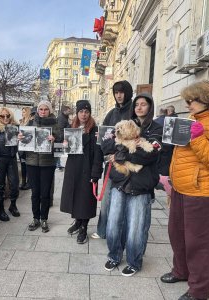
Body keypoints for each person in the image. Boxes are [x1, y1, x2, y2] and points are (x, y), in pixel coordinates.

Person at [160, 81, 209, 300]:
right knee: (177, 235)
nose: (187, 104)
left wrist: (198, 138)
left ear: (206, 99)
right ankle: (181, 271)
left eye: (191, 100)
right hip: (181, 189)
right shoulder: (193, 119)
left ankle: (199, 290)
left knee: (200, 243)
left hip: (204, 193)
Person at [101, 92, 163, 276]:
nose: (139, 107)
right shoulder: (124, 124)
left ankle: (134, 261)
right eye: (137, 104)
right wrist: (124, 149)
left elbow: (150, 155)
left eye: (144, 104)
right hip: (120, 181)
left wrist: (121, 153)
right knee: (113, 223)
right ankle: (114, 255)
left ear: (150, 107)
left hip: (141, 184)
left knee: (136, 226)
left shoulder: (156, 129)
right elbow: (106, 146)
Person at [91, 80, 133, 240]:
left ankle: (122, 231)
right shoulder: (111, 113)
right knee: (107, 199)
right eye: (116, 92)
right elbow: (104, 139)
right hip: (111, 162)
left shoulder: (133, 111)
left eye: (121, 92)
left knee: (125, 199)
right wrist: (101, 137)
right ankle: (102, 230)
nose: (119, 95)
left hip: (128, 161)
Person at [60, 100, 103, 244]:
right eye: (81, 112)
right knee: (75, 197)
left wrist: (96, 173)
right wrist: (63, 144)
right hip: (73, 169)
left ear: (89, 113)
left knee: (85, 199)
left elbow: (99, 154)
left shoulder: (95, 130)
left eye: (86, 112)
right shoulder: (72, 128)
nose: (84, 114)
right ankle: (78, 221)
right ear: (77, 114)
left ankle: (84, 226)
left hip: (88, 169)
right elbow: (62, 150)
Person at [19, 100, 61, 233]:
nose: (43, 112)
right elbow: (23, 143)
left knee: (45, 193)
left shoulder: (56, 125)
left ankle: (44, 219)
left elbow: (62, 146)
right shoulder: (30, 124)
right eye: (41, 109)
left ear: (50, 111)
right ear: (37, 110)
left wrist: (54, 141)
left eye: (46, 109)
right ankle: (35, 218)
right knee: (35, 193)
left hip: (48, 163)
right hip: (32, 162)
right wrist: (21, 139)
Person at [0, 107, 20, 221]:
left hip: (12, 159)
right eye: (2, 116)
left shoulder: (16, 128)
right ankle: (0, 210)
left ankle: (13, 205)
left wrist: (21, 140)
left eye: (7, 115)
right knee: (0, 186)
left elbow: (23, 145)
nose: (5, 118)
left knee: (14, 184)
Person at [19, 107, 32, 190]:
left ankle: (29, 182)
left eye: (24, 112)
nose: (22, 113)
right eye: (22, 112)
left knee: (28, 166)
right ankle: (23, 181)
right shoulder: (21, 122)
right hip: (21, 147)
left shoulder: (30, 122)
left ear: (27, 113)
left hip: (27, 147)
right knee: (23, 165)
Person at [56, 105, 71, 170]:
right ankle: (57, 164)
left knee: (58, 151)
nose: (69, 112)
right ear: (64, 111)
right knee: (58, 151)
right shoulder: (61, 118)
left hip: (60, 136)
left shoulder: (65, 117)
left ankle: (58, 164)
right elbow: (60, 128)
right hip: (59, 137)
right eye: (68, 111)